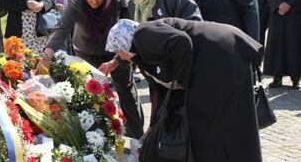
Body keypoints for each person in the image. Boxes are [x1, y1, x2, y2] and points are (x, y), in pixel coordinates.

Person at [106, 18, 263, 162]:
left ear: (124, 41)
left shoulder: (142, 34)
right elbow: (162, 91)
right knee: (221, 121)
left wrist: (183, 82)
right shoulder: (143, 49)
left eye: (118, 51)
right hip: (219, 55)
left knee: (217, 119)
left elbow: (181, 41)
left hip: (219, 54)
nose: (120, 56)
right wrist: (154, 125)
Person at [35, 0, 144, 139]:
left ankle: (137, 136)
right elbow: (62, 29)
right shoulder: (75, 1)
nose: (94, 2)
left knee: (125, 90)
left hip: (118, 49)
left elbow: (129, 25)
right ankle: (97, 138)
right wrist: (46, 58)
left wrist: (116, 60)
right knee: (90, 95)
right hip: (87, 51)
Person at [99, 0, 202, 123]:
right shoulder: (140, 2)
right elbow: (133, 38)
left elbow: (194, 26)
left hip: (182, 70)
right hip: (158, 72)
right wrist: (115, 61)